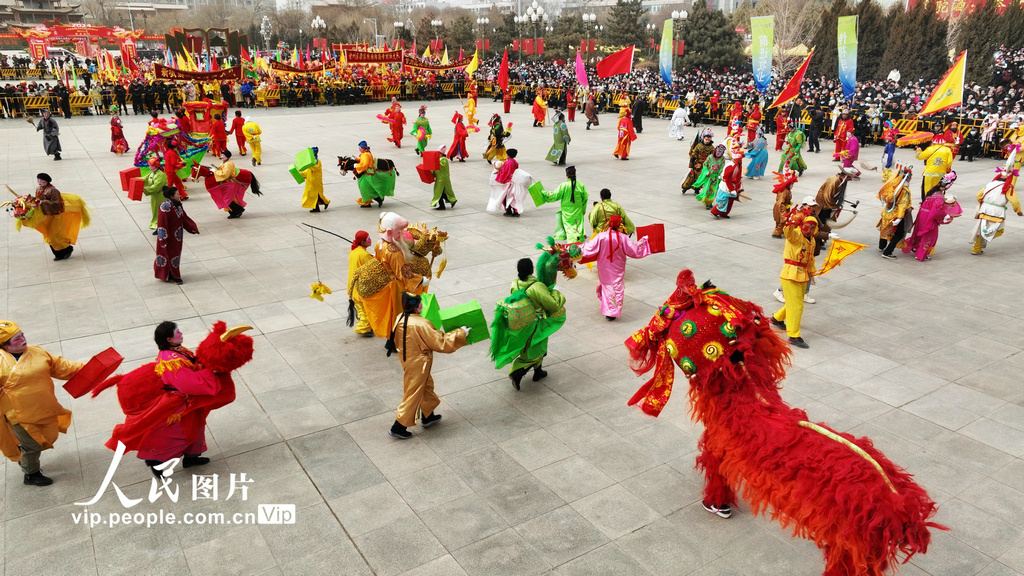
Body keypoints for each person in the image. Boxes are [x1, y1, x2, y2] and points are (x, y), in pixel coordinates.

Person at [0, 321, 84, 486]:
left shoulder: (37, 352)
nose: (23, 339)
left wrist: (89, 368)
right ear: (5, 346)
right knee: (32, 445)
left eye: (22, 335)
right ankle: (31, 474)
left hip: (43, 407)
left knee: (47, 436)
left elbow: (62, 366)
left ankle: (25, 455)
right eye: (17, 339)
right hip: (17, 414)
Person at [133, 321, 221, 475]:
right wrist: (208, 373)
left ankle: (191, 458)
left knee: (196, 428)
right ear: (169, 339)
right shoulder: (171, 360)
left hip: (188, 400)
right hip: (180, 403)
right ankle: (156, 461)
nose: (181, 333)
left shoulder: (177, 350)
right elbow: (188, 384)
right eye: (177, 331)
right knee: (177, 434)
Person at [387, 292, 469, 439]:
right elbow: (440, 342)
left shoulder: (400, 317)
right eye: (419, 303)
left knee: (426, 386)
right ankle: (398, 426)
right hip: (419, 363)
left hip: (408, 360)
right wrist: (461, 333)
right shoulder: (421, 323)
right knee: (413, 393)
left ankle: (428, 415)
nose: (421, 304)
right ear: (416, 307)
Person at [492, 256, 566, 390]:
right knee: (536, 349)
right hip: (536, 324)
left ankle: (538, 371)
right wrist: (556, 292)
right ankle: (517, 371)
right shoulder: (537, 286)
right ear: (532, 269)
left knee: (533, 346)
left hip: (523, 322)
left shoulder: (515, 283)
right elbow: (553, 306)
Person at [351, 212, 429, 337]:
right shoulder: (394, 251)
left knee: (391, 313)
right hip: (396, 286)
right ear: (389, 232)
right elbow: (403, 271)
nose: (402, 234)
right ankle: (395, 339)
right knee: (398, 313)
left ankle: (392, 339)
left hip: (387, 285)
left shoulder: (380, 244)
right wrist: (420, 280)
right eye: (399, 232)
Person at [581, 215, 651, 320]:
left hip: (604, 265)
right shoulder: (623, 238)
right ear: (619, 225)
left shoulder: (601, 236)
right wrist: (643, 241)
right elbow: (634, 250)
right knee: (616, 286)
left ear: (609, 223)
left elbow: (589, 248)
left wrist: (581, 245)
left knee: (606, 285)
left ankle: (608, 307)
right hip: (618, 266)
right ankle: (611, 312)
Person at [770, 211, 821, 349]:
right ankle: (793, 336)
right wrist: (792, 222)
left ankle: (777, 318)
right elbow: (788, 232)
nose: (809, 230)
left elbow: (810, 259)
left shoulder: (812, 240)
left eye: (812, 227)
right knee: (797, 306)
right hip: (790, 274)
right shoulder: (796, 234)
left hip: (803, 275)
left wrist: (812, 272)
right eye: (807, 226)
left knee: (795, 302)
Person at [22, 173, 90, 261]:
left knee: (55, 235)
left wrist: (43, 202)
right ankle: (59, 253)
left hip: (56, 215)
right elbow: (37, 199)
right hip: (46, 214)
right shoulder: (38, 189)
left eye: (42, 180)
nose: (39, 181)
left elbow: (57, 204)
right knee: (48, 235)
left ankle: (66, 249)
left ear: (47, 181)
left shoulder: (53, 191)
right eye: (38, 179)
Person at [903, 172, 961, 261]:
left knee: (919, 232)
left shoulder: (932, 191)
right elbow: (936, 211)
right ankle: (921, 254)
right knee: (930, 236)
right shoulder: (939, 197)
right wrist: (945, 215)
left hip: (922, 214)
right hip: (929, 217)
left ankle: (915, 247)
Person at [970, 169, 1022, 255]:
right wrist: (1018, 211)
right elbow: (1014, 201)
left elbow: (978, 195)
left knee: (981, 229)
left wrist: (984, 203)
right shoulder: (1008, 187)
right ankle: (985, 238)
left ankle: (976, 248)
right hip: (997, 211)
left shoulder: (990, 184)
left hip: (984, 209)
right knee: (999, 230)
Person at [155, 186, 199, 284]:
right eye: (178, 194)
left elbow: (184, 217)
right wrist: (163, 238)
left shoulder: (178, 205)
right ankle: (175, 276)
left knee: (175, 255)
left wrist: (192, 227)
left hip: (177, 237)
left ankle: (171, 273)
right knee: (167, 255)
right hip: (168, 237)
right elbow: (161, 224)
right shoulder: (165, 207)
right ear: (171, 196)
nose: (180, 195)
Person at [542, 166, 589, 242]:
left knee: (569, 229)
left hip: (567, 212)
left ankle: (572, 245)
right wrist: (582, 210)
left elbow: (554, 196)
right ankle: (579, 244)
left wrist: (544, 192)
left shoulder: (563, 185)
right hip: (578, 211)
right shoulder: (581, 185)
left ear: (566, 175)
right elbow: (585, 198)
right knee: (578, 228)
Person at [876, 167, 914, 260]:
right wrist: (900, 217)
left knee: (884, 229)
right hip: (896, 214)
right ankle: (887, 252)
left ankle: (881, 246)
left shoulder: (893, 186)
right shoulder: (904, 190)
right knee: (899, 233)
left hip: (887, 212)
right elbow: (902, 205)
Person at [347, 231, 374, 336]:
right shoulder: (364, 255)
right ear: (363, 242)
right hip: (362, 287)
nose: (370, 240)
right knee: (365, 309)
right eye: (368, 238)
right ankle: (364, 328)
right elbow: (372, 268)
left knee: (361, 308)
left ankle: (366, 327)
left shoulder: (354, 252)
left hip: (354, 286)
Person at [915, 135, 954, 203]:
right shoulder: (947, 150)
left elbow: (919, 157)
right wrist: (944, 168)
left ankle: (926, 202)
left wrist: (918, 151)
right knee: (938, 189)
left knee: (927, 189)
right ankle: (937, 202)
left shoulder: (930, 149)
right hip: (941, 173)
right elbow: (949, 162)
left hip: (929, 173)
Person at [682, 129, 715, 194]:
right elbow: (693, 155)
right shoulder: (699, 145)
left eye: (709, 138)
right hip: (697, 163)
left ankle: (697, 189)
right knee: (691, 176)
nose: (707, 140)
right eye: (706, 138)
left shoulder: (711, 147)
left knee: (700, 177)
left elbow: (713, 157)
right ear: (703, 138)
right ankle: (685, 187)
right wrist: (691, 164)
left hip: (706, 165)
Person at [695, 145, 727, 210]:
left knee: (714, 191)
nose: (719, 154)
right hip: (709, 177)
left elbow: (722, 167)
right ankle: (707, 202)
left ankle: (710, 203)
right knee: (707, 189)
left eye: (721, 152)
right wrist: (707, 172)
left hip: (716, 177)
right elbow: (705, 165)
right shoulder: (710, 157)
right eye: (718, 151)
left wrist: (721, 173)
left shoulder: (722, 159)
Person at [142, 157, 169, 233]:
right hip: (154, 196)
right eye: (150, 165)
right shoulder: (152, 173)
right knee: (155, 211)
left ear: (155, 166)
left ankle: (160, 226)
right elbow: (145, 179)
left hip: (161, 196)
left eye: (151, 166)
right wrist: (135, 180)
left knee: (160, 212)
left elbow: (157, 186)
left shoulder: (161, 175)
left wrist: (145, 190)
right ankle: (158, 226)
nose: (150, 167)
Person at [301, 147, 329, 212]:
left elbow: (313, 168)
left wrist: (307, 164)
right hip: (311, 181)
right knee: (313, 194)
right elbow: (308, 170)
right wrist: (302, 174)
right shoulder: (311, 161)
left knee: (314, 195)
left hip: (315, 181)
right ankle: (319, 206)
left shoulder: (317, 161)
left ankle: (322, 204)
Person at [771, 172, 798, 238]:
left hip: (783, 207)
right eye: (791, 184)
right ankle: (777, 233)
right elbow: (780, 203)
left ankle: (780, 230)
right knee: (782, 221)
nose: (792, 186)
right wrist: (783, 213)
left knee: (780, 221)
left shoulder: (786, 190)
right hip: (781, 208)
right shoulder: (784, 191)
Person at [431, 145, 457, 210]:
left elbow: (440, 165)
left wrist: (433, 161)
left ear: (442, 154)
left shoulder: (443, 159)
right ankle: (451, 200)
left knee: (438, 193)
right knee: (441, 193)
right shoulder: (440, 159)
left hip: (442, 179)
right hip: (440, 179)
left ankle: (443, 205)